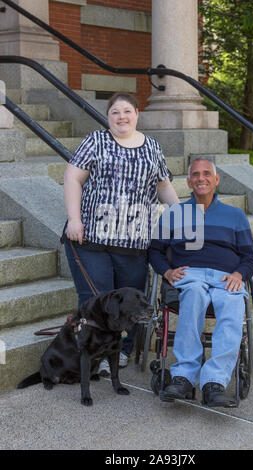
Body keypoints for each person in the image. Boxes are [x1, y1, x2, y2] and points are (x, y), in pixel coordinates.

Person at [62, 92, 179, 375]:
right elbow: (72, 177)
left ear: (137, 114)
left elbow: (163, 185)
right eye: (115, 112)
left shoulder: (152, 146)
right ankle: (93, 353)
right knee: (97, 300)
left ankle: (122, 351)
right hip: (90, 238)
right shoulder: (95, 141)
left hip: (134, 243)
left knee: (132, 302)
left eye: (127, 111)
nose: (121, 117)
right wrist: (73, 219)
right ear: (108, 117)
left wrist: (181, 212)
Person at [148, 157, 253, 406]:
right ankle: (184, 377)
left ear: (216, 179)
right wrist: (166, 272)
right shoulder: (175, 213)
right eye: (196, 174)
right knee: (194, 295)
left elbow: (250, 257)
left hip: (225, 277)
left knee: (232, 304)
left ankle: (214, 381)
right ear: (188, 181)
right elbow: (155, 250)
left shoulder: (235, 215)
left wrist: (239, 275)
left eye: (207, 173)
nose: (201, 178)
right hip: (190, 276)